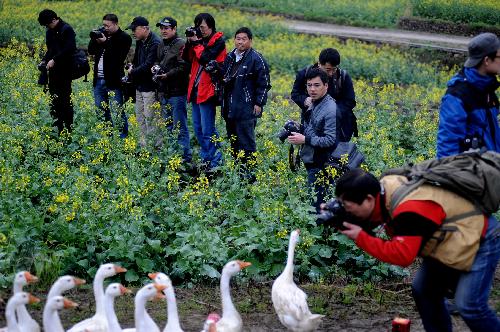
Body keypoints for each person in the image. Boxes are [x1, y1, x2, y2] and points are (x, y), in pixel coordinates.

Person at [332, 168, 500, 332]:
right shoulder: (382, 190)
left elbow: (403, 256)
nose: (347, 210)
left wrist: (361, 237)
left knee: (470, 305)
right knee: (424, 290)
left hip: (479, 235)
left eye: (347, 206)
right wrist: (339, 217)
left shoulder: (409, 209)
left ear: (368, 199)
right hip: (448, 240)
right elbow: (376, 218)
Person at [437, 32, 500, 158]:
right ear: (487, 60)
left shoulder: (487, 88)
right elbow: (447, 145)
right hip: (472, 171)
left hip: (491, 166)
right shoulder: (458, 95)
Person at [220, 27, 271, 170]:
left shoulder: (256, 59)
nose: (240, 42)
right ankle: (238, 172)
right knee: (233, 142)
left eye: (244, 39)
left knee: (247, 143)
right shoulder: (230, 57)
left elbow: (264, 83)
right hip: (230, 108)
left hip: (246, 108)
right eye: (238, 38)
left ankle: (250, 175)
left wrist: (259, 103)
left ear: (250, 41)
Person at [288, 68, 337, 211]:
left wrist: (305, 139)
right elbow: (315, 128)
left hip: (323, 163)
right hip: (313, 160)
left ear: (326, 86)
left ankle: (321, 230)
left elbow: (330, 140)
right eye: (309, 85)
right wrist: (300, 128)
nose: (312, 89)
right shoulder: (315, 102)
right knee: (316, 200)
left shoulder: (329, 108)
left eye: (317, 85)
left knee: (318, 206)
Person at [182, 13, 226, 172]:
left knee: (208, 129)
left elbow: (206, 58)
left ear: (211, 26)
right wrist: (190, 42)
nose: (200, 30)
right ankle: (206, 158)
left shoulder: (218, 42)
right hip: (195, 89)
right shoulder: (199, 41)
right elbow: (186, 58)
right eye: (198, 27)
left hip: (208, 91)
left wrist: (197, 43)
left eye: (203, 27)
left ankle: (216, 162)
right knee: (198, 128)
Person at [291, 48, 357, 141]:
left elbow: (349, 101)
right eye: (328, 69)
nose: (331, 73)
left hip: (337, 123)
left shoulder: (343, 77)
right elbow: (295, 94)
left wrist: (331, 111)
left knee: (335, 151)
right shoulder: (305, 74)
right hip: (312, 122)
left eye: (334, 69)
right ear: (319, 64)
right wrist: (305, 100)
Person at [154, 16, 191, 162]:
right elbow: (158, 60)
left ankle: (184, 158)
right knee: (168, 126)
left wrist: (167, 75)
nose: (163, 31)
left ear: (174, 29)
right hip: (164, 91)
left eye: (166, 28)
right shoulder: (161, 44)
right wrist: (155, 67)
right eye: (162, 28)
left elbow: (184, 67)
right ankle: (172, 156)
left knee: (180, 126)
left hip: (177, 92)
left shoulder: (181, 44)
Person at [88, 13, 132, 138]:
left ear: (116, 24)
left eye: (108, 26)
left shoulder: (124, 38)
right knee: (101, 112)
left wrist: (106, 42)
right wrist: (95, 38)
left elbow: (118, 57)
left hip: (114, 81)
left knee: (117, 111)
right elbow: (90, 50)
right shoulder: (103, 36)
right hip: (98, 80)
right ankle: (107, 137)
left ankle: (123, 138)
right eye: (104, 25)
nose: (105, 28)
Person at [38, 9, 77, 134]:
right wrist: (44, 60)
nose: (47, 27)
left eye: (48, 24)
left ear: (54, 20)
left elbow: (70, 49)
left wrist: (55, 60)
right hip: (53, 73)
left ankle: (69, 128)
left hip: (65, 72)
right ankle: (58, 127)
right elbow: (51, 50)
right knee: (54, 101)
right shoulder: (50, 31)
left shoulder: (67, 29)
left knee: (65, 101)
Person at [126, 16, 161, 147]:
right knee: (140, 118)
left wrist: (132, 72)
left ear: (144, 28)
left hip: (150, 87)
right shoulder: (140, 41)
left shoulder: (155, 42)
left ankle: (155, 148)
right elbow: (137, 61)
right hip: (140, 86)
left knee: (151, 119)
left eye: (134, 29)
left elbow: (148, 65)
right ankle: (144, 147)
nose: (133, 32)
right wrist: (132, 67)